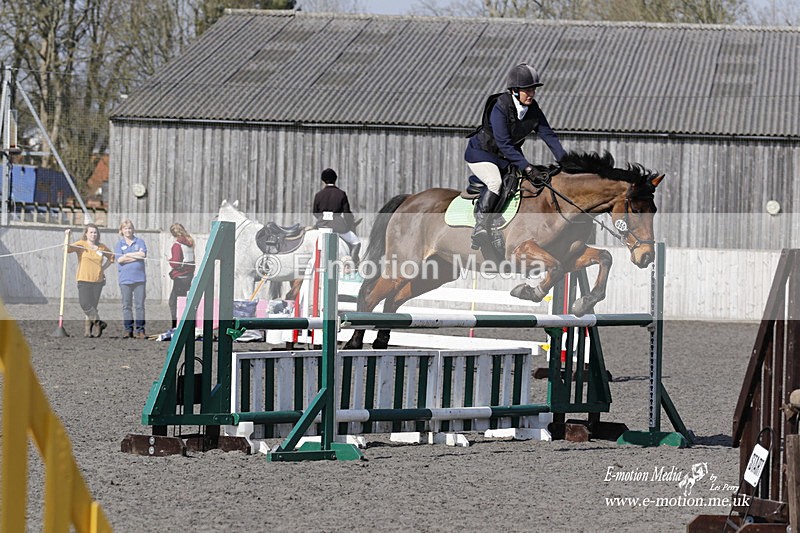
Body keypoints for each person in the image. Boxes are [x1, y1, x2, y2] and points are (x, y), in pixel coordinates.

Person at [465, 62, 567, 254]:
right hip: (481, 154)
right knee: (495, 182)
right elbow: (504, 143)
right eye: (526, 90)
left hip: (506, 157)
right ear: (514, 90)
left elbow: (549, 136)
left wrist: (567, 162)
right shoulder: (500, 107)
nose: (531, 94)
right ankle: (480, 226)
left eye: (533, 90)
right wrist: (527, 166)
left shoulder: (533, 109)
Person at [65, 225, 115, 338]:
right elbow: (67, 249)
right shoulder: (81, 244)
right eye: (91, 232)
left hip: (98, 280)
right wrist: (67, 236)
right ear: (86, 234)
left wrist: (103, 268)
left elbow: (112, 257)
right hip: (83, 278)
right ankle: (99, 323)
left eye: (95, 233)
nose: (93, 234)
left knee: (93, 306)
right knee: (84, 304)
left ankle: (89, 332)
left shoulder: (101, 247)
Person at [312, 168, 361, 264]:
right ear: (335, 179)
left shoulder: (318, 195)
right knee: (356, 242)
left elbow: (315, 212)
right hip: (337, 225)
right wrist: (349, 223)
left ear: (323, 180)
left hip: (321, 225)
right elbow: (347, 213)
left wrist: (323, 218)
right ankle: (354, 262)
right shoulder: (341, 194)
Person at [114, 219, 148, 338]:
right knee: (126, 305)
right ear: (121, 231)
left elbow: (143, 255)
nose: (128, 230)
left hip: (139, 279)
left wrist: (127, 255)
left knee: (139, 305)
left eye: (129, 228)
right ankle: (128, 329)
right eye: (125, 228)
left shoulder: (140, 242)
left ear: (133, 229)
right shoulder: (119, 244)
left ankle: (140, 329)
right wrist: (135, 256)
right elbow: (119, 260)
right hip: (125, 279)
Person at [167, 222, 195, 329]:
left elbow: (176, 263)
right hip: (188, 275)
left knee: (173, 303)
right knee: (183, 301)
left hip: (180, 277)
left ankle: (176, 326)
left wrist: (169, 260)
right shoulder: (190, 243)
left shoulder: (177, 245)